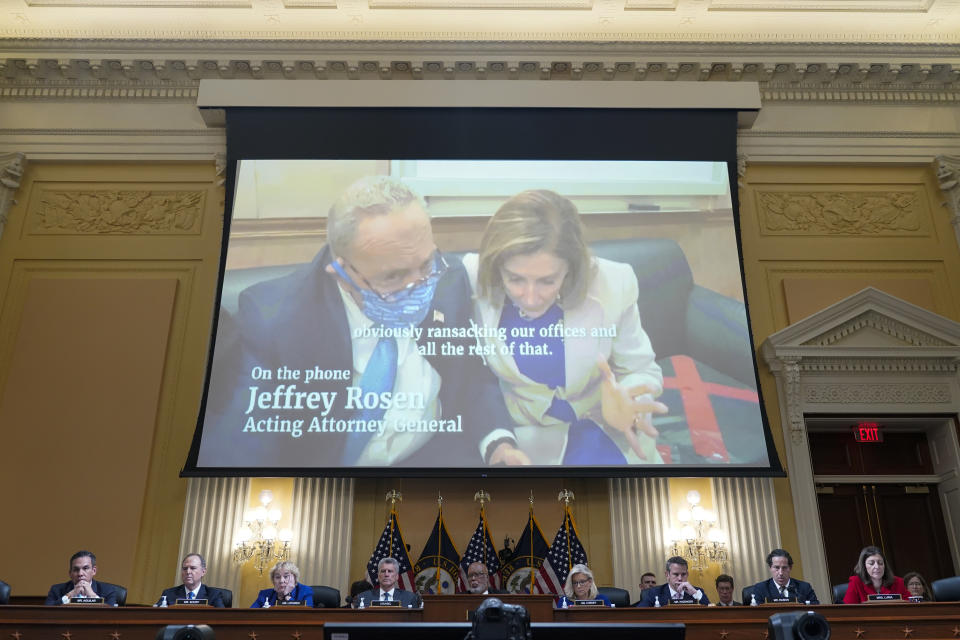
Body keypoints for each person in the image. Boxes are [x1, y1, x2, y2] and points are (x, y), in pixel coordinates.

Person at [207, 175, 514, 467]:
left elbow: (470, 373)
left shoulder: (447, 279)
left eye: (425, 264)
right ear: (342, 272)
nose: (420, 286)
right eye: (393, 277)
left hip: (437, 460)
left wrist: (499, 444)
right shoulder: (274, 320)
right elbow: (243, 449)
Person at [463, 190, 668, 466]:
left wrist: (629, 403)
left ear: (570, 269)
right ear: (497, 266)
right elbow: (469, 380)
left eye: (548, 281)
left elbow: (640, 368)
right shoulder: (471, 278)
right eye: (515, 279)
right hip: (519, 434)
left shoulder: (614, 284)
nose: (531, 297)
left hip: (598, 426)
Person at [44, 551, 119, 606]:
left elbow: (110, 614)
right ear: (70, 573)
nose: (80, 574)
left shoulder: (108, 590)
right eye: (76, 569)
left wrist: (93, 596)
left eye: (85, 568)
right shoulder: (56, 590)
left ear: (94, 571)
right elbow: (47, 612)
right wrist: (70, 594)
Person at [843, 546, 911, 603]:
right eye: (871, 563)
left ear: (885, 565)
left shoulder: (898, 582)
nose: (877, 567)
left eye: (880, 563)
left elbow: (910, 606)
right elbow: (848, 611)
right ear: (864, 566)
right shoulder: (856, 582)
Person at [748, 549, 819, 604]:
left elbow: (816, 611)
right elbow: (758, 614)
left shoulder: (804, 588)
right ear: (770, 568)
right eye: (776, 568)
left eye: (784, 568)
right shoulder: (761, 589)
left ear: (790, 568)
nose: (781, 573)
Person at [156, 553, 227, 607]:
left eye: (193, 568)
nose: (188, 572)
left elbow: (221, 618)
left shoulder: (214, 595)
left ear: (203, 572)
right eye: (185, 568)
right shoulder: (169, 594)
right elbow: (156, 615)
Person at [636, 556, 710, 607]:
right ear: (667, 575)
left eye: (683, 574)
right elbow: (639, 614)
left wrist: (694, 593)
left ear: (687, 574)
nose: (680, 578)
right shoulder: (655, 592)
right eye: (676, 574)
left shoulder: (697, 592)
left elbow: (711, 612)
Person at [352, 558, 421, 608]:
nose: (386, 574)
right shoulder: (363, 598)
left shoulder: (410, 598)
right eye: (383, 571)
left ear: (397, 576)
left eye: (390, 571)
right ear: (378, 575)